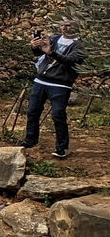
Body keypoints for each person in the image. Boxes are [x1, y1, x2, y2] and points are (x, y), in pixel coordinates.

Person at [23, 17, 84, 160]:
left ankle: (62, 147)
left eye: (69, 25)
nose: (65, 27)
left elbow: (70, 60)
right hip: (41, 81)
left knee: (58, 115)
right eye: (63, 24)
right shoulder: (54, 38)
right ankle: (30, 141)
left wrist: (52, 53)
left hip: (60, 85)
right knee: (33, 111)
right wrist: (35, 46)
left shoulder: (80, 46)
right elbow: (39, 53)